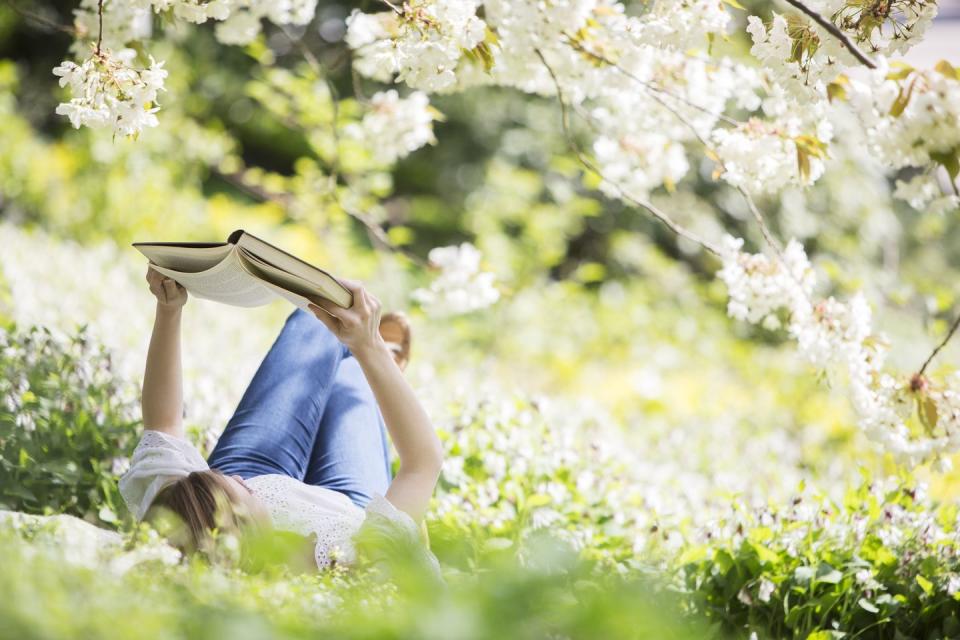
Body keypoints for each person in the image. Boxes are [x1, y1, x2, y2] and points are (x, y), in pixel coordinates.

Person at [119, 267, 444, 574]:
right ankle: (373, 362)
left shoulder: (187, 515)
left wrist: (168, 307)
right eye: (239, 488)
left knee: (316, 318)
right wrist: (369, 345)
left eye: (221, 476)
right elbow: (423, 462)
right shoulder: (357, 562)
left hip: (262, 477)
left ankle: (362, 361)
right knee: (351, 377)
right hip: (353, 512)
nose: (236, 478)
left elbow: (163, 424)